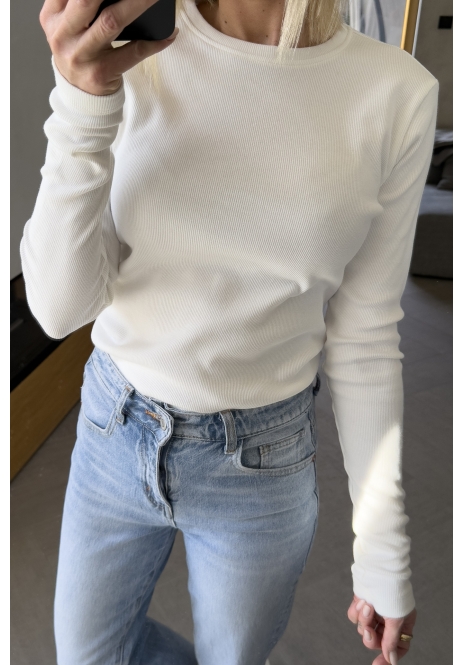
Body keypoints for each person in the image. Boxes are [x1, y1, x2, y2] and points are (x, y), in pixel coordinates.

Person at [21, 0, 438, 663]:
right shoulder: (130, 43)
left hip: (261, 464)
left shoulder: (395, 94)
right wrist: (81, 103)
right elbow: (58, 309)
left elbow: (365, 339)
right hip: (114, 426)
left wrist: (383, 549)